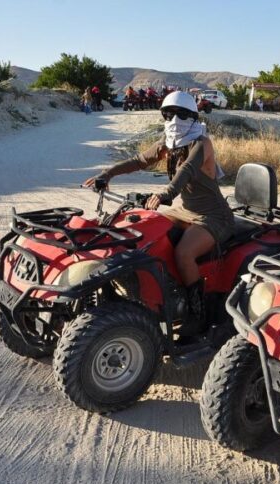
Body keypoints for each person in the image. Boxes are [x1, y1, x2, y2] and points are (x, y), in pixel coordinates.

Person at [83, 91, 234, 334]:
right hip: (184, 210)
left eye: (181, 114)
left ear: (193, 117)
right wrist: (107, 173)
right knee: (147, 232)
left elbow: (187, 170)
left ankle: (198, 313)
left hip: (213, 216)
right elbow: (139, 160)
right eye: (169, 113)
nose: (175, 120)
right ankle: (162, 295)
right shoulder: (168, 142)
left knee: (184, 253)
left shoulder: (201, 142)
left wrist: (165, 194)